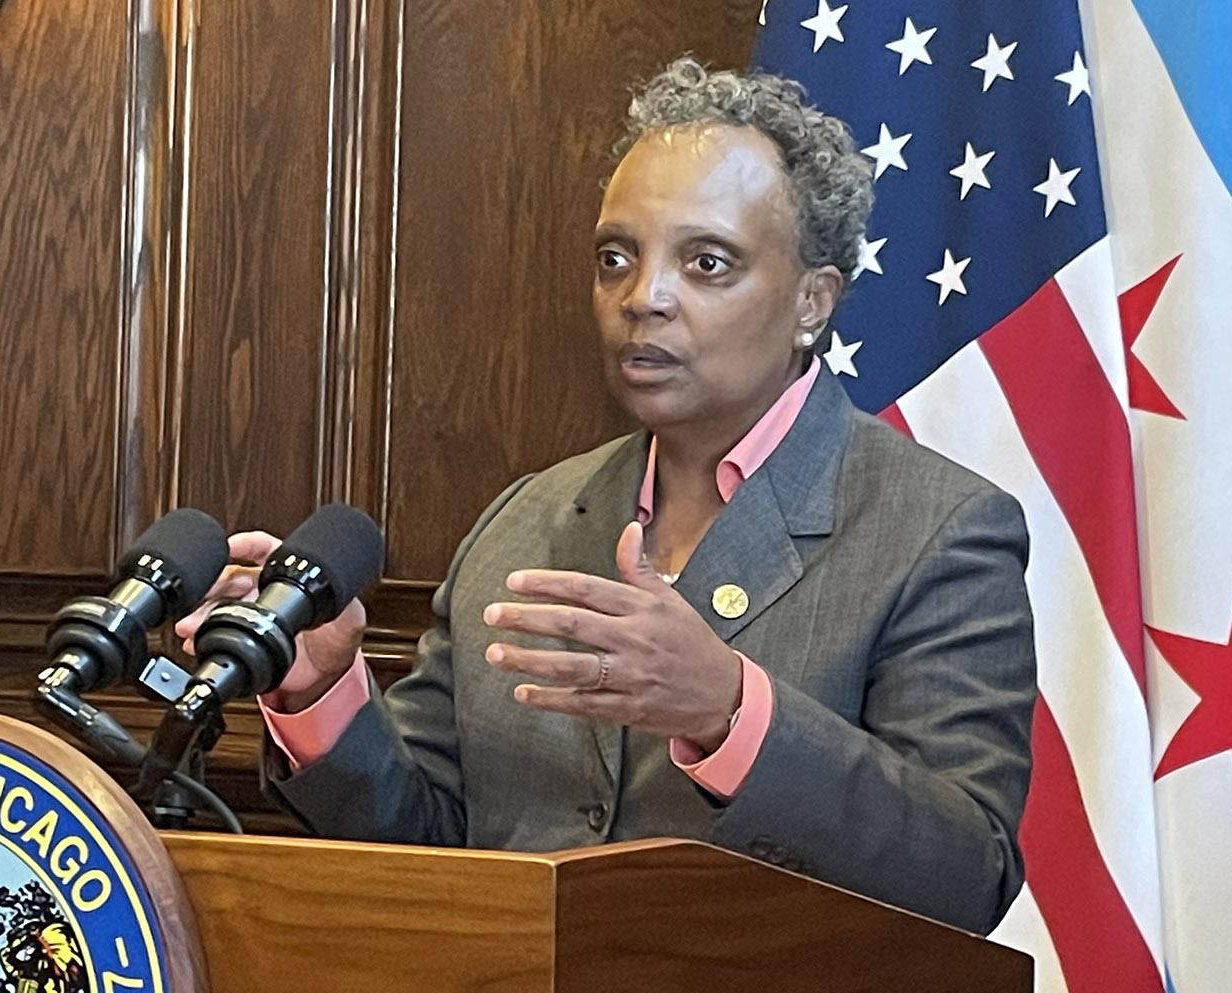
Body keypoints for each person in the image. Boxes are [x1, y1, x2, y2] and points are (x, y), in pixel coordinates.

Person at [179, 57, 1038, 934]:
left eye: (707, 262)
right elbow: (430, 845)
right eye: (615, 257)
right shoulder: (523, 524)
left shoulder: (940, 530)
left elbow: (967, 875)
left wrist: (728, 710)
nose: (644, 298)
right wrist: (324, 696)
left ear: (813, 302)